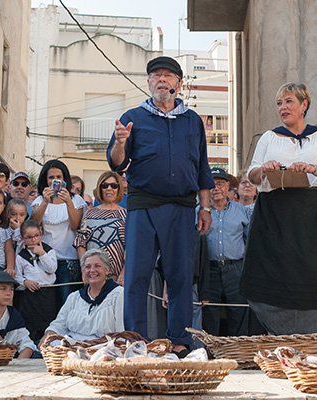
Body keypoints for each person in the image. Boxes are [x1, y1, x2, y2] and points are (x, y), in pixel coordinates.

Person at [107, 56, 212, 352]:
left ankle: (179, 341)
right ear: (149, 82)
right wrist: (120, 141)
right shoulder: (132, 117)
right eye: (156, 75)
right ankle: (135, 340)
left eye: (168, 76)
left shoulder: (192, 120)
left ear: (179, 83)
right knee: (138, 274)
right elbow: (117, 163)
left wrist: (204, 207)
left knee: (179, 275)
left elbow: (202, 166)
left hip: (182, 206)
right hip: (144, 205)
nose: (161, 80)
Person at [242, 82, 317, 335]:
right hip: (274, 216)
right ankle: (272, 335)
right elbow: (252, 175)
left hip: (311, 217)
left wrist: (310, 168)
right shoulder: (268, 137)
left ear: (304, 105)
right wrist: (265, 169)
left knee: (310, 274)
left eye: (288, 102)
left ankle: (313, 337)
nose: (282, 108)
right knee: (272, 273)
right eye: (279, 103)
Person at [198, 168, 250, 336]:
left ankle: (238, 356)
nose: (216, 188)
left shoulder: (241, 210)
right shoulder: (199, 212)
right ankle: (211, 357)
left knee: (238, 313)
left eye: (220, 183)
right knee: (210, 316)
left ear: (228, 186)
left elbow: (249, 239)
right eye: (211, 184)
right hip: (209, 270)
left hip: (236, 269)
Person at [31, 159, 87, 308]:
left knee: (66, 303)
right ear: (45, 180)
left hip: (68, 260)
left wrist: (68, 201)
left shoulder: (76, 200)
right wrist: (45, 202)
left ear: (64, 179)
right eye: (51, 177)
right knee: (46, 304)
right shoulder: (39, 200)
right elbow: (34, 224)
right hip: (45, 259)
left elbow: (75, 225)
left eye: (59, 177)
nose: (55, 181)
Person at [43, 249, 124, 341]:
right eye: (87, 267)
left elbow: (121, 332)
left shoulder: (118, 295)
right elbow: (59, 324)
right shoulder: (74, 297)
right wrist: (47, 337)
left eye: (97, 266)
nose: (92, 270)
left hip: (104, 349)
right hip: (72, 348)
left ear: (107, 270)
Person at [74, 171, 127, 282]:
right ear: (99, 188)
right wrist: (84, 270)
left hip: (117, 277)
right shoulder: (89, 213)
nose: (109, 188)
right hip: (93, 276)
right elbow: (81, 243)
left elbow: (131, 247)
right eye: (104, 185)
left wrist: (124, 272)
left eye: (114, 185)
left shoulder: (126, 215)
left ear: (119, 189)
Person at [13, 220, 57, 343]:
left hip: (47, 293)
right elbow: (17, 276)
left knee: (46, 321)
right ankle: (30, 346)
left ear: (41, 234)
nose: (33, 239)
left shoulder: (49, 251)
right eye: (29, 237)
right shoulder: (20, 256)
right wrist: (25, 282)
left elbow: (52, 269)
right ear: (22, 238)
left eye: (36, 236)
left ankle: (45, 345)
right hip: (30, 295)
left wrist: (42, 254)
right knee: (30, 323)